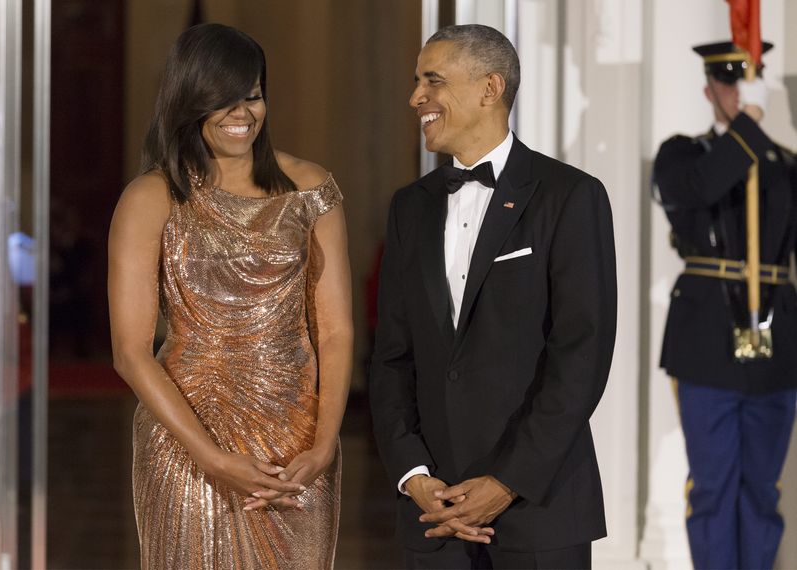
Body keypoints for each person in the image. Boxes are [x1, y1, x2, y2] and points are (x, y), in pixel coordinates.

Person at [369, 24, 617, 569]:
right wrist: (414, 476)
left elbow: (582, 355)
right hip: (433, 514)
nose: (416, 98)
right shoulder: (409, 207)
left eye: (432, 81)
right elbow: (391, 356)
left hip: (540, 505)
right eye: (416, 82)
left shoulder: (572, 196)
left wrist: (507, 481)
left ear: (490, 88)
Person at [108, 24, 352, 569]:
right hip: (188, 436)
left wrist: (323, 445)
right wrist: (213, 458)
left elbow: (335, 329)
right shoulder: (152, 197)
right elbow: (130, 350)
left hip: (296, 443)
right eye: (221, 99)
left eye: (253, 96)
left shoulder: (311, 189)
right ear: (187, 101)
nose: (241, 113)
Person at [653, 41, 797, 570]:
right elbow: (701, 190)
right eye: (729, 82)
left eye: (748, 81)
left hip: (777, 336)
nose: (738, 92)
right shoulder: (682, 155)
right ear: (709, 88)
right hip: (707, 337)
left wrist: (760, 137)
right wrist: (751, 126)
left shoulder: (785, 166)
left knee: (761, 487)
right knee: (713, 486)